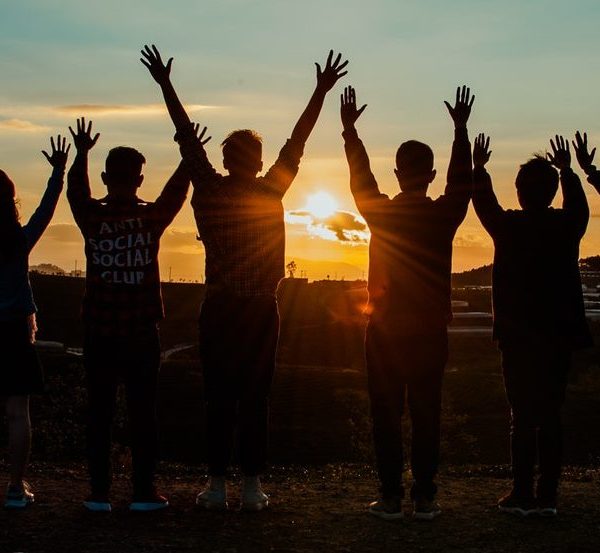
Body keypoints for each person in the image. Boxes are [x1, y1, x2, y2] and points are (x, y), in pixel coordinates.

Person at [141, 44, 348, 511]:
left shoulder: (209, 189)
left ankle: (216, 485)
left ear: (226, 157)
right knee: (256, 398)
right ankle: (252, 486)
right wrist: (319, 90)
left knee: (218, 398)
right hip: (258, 311)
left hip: (219, 308)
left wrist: (165, 84)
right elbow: (298, 140)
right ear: (256, 160)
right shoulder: (271, 188)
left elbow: (185, 137)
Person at [340, 85, 474, 520]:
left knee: (386, 415)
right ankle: (425, 496)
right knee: (426, 413)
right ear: (430, 174)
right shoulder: (443, 215)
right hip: (430, 330)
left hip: (383, 329)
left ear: (397, 173)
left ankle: (391, 496)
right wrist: (460, 131)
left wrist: (350, 134)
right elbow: (462, 184)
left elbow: (361, 180)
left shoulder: (381, 212)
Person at [67, 117, 191, 512]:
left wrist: (81, 154)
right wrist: (188, 156)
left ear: (105, 177)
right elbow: (176, 194)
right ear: (139, 179)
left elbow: (75, 191)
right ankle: (142, 492)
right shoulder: (151, 218)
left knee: (99, 413)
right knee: (142, 413)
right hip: (140, 332)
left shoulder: (91, 218)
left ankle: (98, 493)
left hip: (99, 332)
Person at [472, 133, 592, 517]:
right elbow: (580, 209)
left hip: (517, 336)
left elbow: (484, 204)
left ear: (520, 191)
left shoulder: (508, 227)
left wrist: (479, 168)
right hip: (557, 334)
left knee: (521, 415)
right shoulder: (567, 226)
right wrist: (569, 172)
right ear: (553, 192)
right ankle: (548, 495)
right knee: (552, 413)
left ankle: (521, 492)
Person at [1, 136, 70, 508]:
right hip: (14, 330)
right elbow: (45, 210)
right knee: (17, 412)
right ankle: (15, 487)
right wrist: (57, 173)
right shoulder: (18, 240)